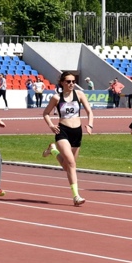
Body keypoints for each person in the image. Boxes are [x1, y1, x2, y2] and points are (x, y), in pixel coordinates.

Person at [41, 71, 94, 206]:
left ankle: (52, 150)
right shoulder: (56, 98)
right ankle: (76, 196)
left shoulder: (80, 95)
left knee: (67, 166)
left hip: (77, 132)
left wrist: (90, 124)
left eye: (73, 82)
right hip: (62, 132)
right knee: (71, 164)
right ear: (62, 83)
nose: (71, 84)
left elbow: (89, 111)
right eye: (68, 81)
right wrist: (51, 125)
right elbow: (46, 113)